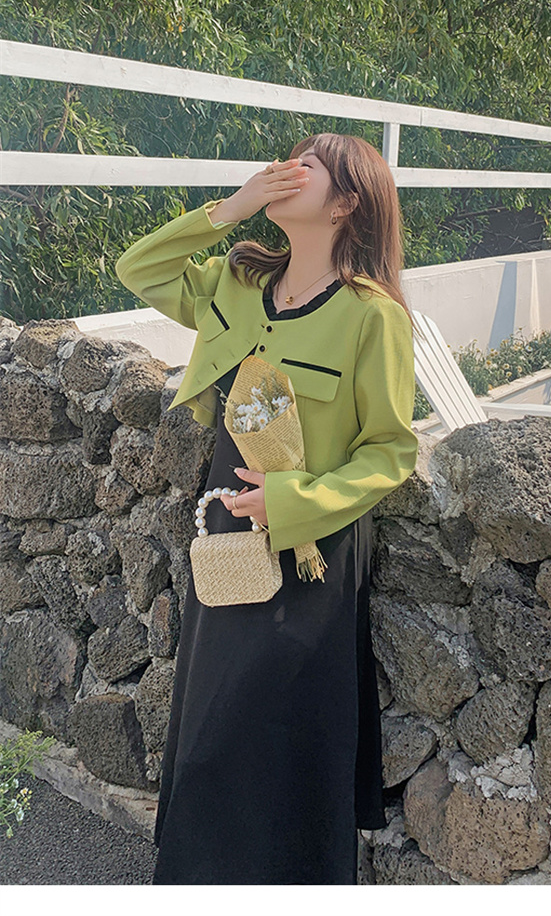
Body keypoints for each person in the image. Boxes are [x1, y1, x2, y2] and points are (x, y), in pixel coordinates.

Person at [114, 132, 419, 885]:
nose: (289, 168)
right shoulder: (237, 280)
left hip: (309, 551)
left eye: (309, 165)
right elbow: (138, 268)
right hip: (226, 533)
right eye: (290, 157)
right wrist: (231, 208)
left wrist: (290, 502)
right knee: (208, 728)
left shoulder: (372, 316)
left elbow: (389, 451)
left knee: (281, 737)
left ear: (346, 203)